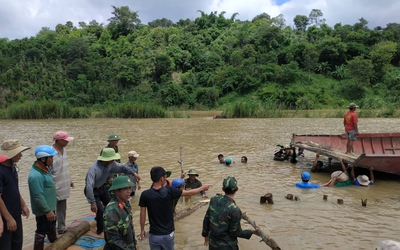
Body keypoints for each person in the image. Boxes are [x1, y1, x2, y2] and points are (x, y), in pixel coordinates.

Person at [139, 166, 211, 249]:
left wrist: (142, 230)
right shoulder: (169, 191)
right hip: (168, 234)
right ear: (162, 179)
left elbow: (142, 214)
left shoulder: (145, 194)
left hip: (154, 235)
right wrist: (202, 188)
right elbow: (189, 193)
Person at [85, 148, 139, 235]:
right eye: (112, 158)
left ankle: (114, 223)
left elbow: (122, 168)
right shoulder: (93, 168)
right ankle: (101, 231)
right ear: (107, 159)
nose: (114, 160)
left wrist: (133, 173)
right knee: (100, 210)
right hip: (93, 191)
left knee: (113, 205)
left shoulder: (111, 164)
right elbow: (89, 186)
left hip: (102, 188)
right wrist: (92, 202)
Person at [202, 177, 260, 249]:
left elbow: (206, 219)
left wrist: (205, 236)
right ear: (237, 189)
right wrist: (252, 232)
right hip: (228, 246)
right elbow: (235, 232)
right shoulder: (235, 210)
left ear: (223, 189)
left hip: (213, 244)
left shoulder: (214, 199)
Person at [0, 140, 30, 250]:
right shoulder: (1, 171)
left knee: (17, 243)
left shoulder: (12, 167)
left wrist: (23, 205)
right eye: (19, 153)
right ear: (11, 154)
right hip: (5, 217)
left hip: (16, 213)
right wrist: (8, 219)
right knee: (5, 246)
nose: (21, 155)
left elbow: (14, 189)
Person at [28, 145, 58, 250]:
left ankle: (54, 243)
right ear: (43, 159)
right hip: (44, 211)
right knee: (41, 231)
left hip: (50, 208)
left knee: (51, 226)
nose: (52, 160)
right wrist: (47, 211)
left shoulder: (45, 169)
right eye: (51, 158)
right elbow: (38, 195)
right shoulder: (36, 176)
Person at [104, 176, 138, 250]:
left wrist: (135, 244)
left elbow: (130, 228)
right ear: (116, 191)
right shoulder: (112, 211)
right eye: (125, 189)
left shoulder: (126, 203)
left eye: (130, 188)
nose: (129, 191)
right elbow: (113, 240)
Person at [51, 131, 74, 235]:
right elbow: (48, 171)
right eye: (66, 141)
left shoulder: (64, 150)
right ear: (59, 141)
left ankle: (61, 227)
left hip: (63, 185)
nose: (67, 143)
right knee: (52, 210)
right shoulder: (50, 153)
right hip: (53, 186)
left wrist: (69, 180)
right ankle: (51, 232)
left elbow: (65, 167)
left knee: (62, 208)